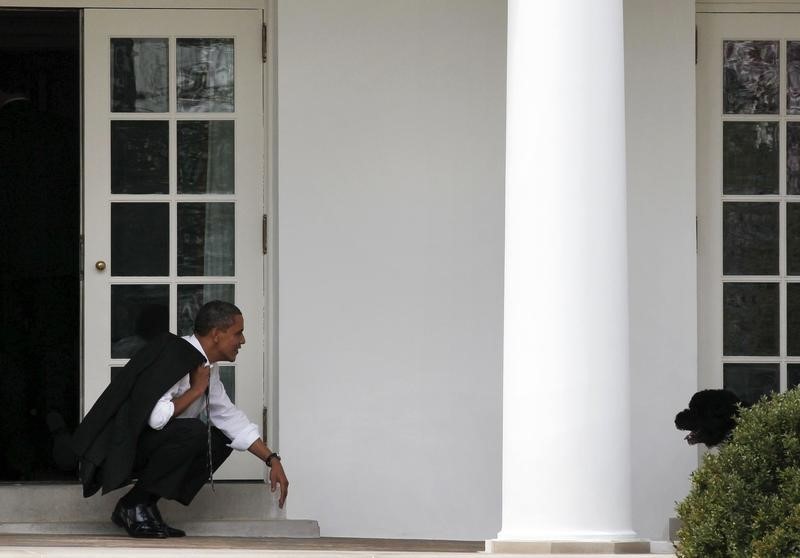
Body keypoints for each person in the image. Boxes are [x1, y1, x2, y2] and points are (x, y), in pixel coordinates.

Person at [72, 301, 288, 538]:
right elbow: (156, 418)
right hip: (120, 451)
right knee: (192, 432)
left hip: (149, 447)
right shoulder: (174, 354)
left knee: (221, 439)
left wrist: (271, 459)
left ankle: (139, 502)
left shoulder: (204, 365)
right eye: (238, 333)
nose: (243, 341)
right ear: (217, 334)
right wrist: (196, 390)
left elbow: (229, 418)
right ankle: (134, 506)